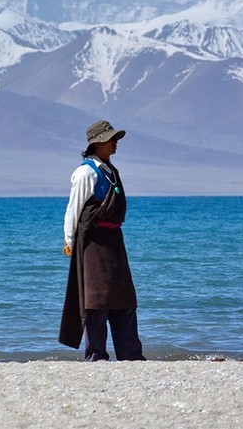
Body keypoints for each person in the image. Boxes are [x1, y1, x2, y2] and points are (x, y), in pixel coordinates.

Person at [59, 120, 146, 361]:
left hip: (114, 242)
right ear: (97, 143)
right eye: (110, 139)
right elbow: (73, 210)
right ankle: (96, 355)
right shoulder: (85, 172)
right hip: (93, 244)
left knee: (124, 298)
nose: (115, 142)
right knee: (96, 300)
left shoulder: (111, 171)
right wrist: (69, 241)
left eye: (115, 138)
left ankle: (131, 355)